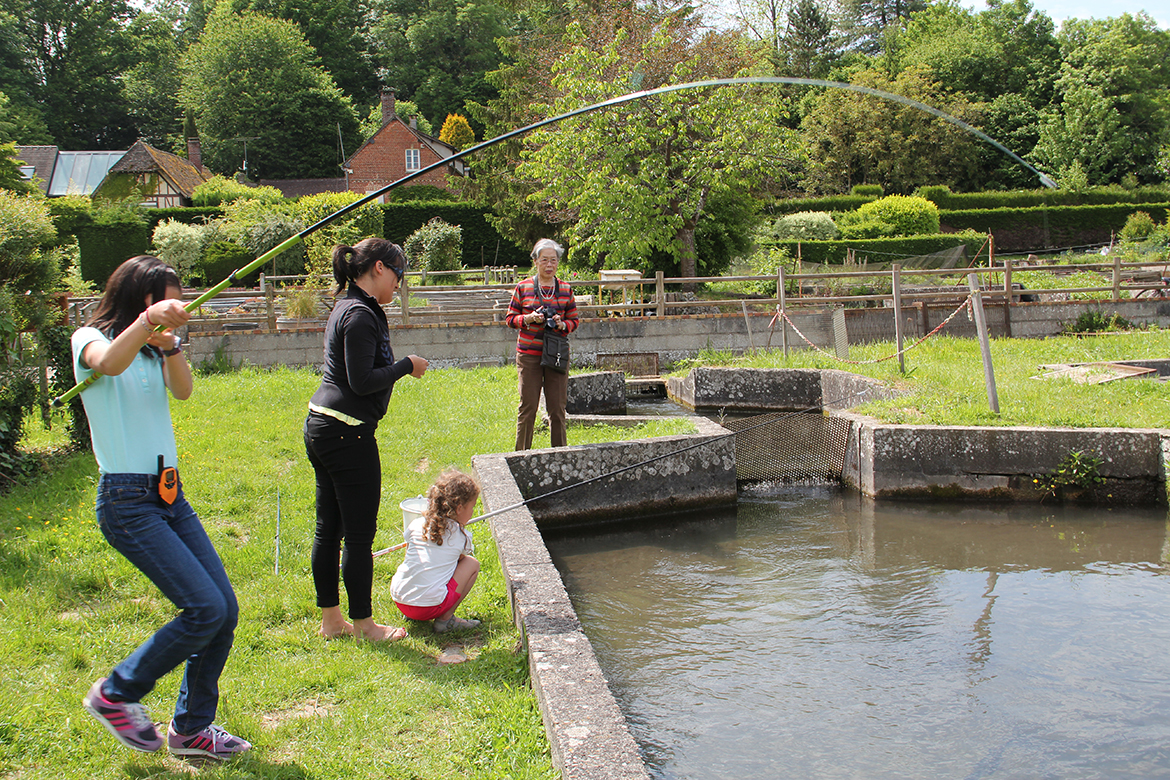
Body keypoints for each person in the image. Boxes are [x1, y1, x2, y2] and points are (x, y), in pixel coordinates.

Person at [73, 255, 251, 762]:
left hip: (170, 495)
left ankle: (191, 731)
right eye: (166, 298)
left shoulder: (154, 351)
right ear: (141, 298)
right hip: (127, 500)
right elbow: (106, 364)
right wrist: (149, 324)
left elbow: (185, 390)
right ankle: (116, 693)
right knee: (205, 609)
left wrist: (168, 342)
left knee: (224, 611)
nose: (177, 307)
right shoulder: (90, 337)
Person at [304, 238, 428, 642]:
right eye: (398, 275)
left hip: (324, 426)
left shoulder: (349, 306)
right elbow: (361, 381)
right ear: (378, 268)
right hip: (346, 432)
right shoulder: (359, 314)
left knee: (329, 528)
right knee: (357, 534)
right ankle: (363, 626)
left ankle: (331, 622)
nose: (399, 284)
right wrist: (406, 366)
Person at [506, 238, 579, 450]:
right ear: (535, 261)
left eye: (553, 260)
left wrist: (561, 323)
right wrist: (528, 319)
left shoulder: (565, 289)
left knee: (557, 408)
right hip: (529, 355)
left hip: (556, 355)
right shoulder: (523, 288)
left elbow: (574, 321)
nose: (549, 265)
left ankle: (560, 454)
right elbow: (510, 319)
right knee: (527, 407)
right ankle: (521, 456)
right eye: (544, 260)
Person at [390, 470, 482, 633]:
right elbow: (460, 561)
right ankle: (445, 620)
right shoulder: (460, 536)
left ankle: (412, 613)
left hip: (401, 600)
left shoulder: (417, 524)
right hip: (429, 607)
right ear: (460, 508)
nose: (473, 512)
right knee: (471, 564)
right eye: (472, 507)